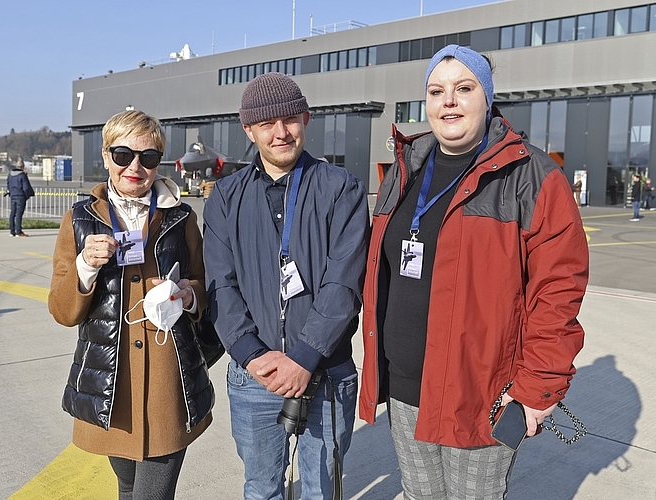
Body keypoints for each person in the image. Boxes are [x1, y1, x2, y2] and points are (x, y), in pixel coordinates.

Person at [359, 45, 589, 500]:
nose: (449, 101)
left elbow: (558, 294)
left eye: (464, 89)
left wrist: (536, 389)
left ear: (487, 98)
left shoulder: (533, 177)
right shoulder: (405, 169)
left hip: (480, 391)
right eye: (437, 90)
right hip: (406, 386)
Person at [203, 72, 369, 500]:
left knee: (321, 490)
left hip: (327, 372)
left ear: (306, 119)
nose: (281, 133)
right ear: (249, 130)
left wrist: (304, 356)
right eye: (267, 124)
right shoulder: (225, 196)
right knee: (261, 489)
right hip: (254, 377)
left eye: (290, 119)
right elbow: (221, 284)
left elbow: (344, 284)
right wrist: (251, 355)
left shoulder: (341, 189)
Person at [48, 110, 214, 499]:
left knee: (150, 496)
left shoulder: (181, 217)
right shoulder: (79, 219)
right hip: (110, 381)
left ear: (160, 162)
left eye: (149, 157)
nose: (135, 167)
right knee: (126, 487)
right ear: (106, 156)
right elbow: (61, 310)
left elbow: (206, 286)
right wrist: (84, 266)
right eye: (123, 155)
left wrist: (189, 295)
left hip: (167, 383)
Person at [6, 159, 35, 237]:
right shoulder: (22, 175)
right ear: (23, 167)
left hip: (13, 196)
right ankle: (18, 231)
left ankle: (12, 231)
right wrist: (28, 195)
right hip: (20, 196)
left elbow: (8, 184)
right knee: (19, 214)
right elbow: (26, 187)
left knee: (12, 213)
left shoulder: (10, 174)